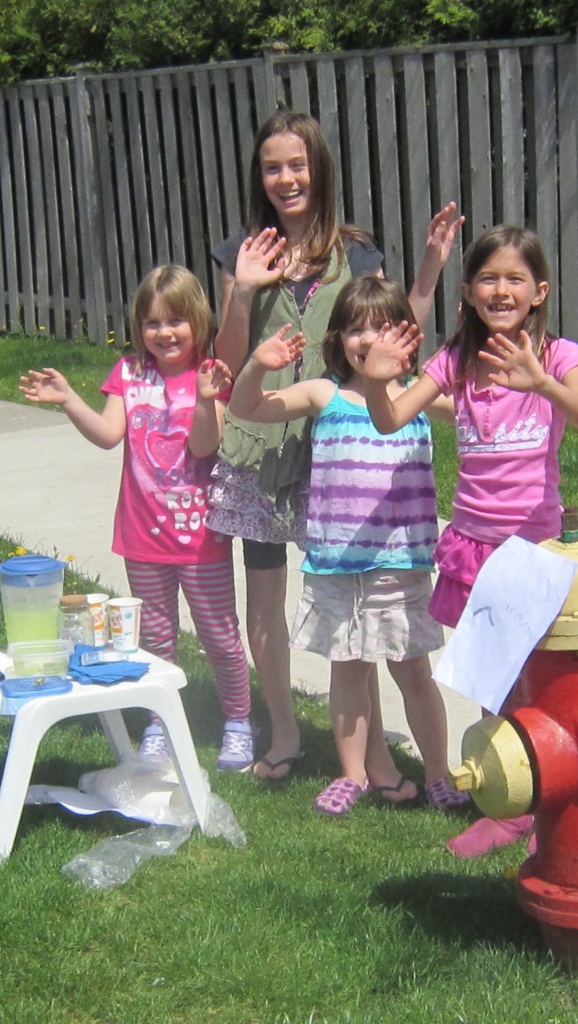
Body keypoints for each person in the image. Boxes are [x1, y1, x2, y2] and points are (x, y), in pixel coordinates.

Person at [209, 109, 463, 780]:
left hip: (336, 451)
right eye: (272, 166)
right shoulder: (243, 252)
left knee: (355, 602)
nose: (286, 178)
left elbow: (390, 336)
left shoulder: (360, 255)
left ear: (319, 168)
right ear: (257, 176)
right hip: (260, 446)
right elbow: (226, 364)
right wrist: (244, 292)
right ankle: (286, 733)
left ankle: (374, 753)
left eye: (297, 164)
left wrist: (431, 273)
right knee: (262, 597)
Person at [363, 224, 578, 853]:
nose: (502, 289)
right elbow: (390, 419)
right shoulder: (455, 361)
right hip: (473, 545)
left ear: (539, 290)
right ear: (467, 291)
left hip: (532, 552)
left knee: (537, 681)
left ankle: (546, 798)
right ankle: (505, 803)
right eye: (488, 278)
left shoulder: (559, 356)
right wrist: (374, 376)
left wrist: (541, 383)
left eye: (515, 278)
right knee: (491, 682)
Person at [216, 274, 467, 814]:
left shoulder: (419, 396)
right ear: (338, 338)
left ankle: (439, 774)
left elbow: (480, 411)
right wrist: (258, 364)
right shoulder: (323, 393)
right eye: (356, 329)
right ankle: (353, 774)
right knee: (348, 670)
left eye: (382, 329)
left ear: (406, 338)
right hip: (335, 565)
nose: (368, 341)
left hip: (400, 564)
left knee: (414, 673)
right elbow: (246, 409)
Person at [19, 265, 255, 772]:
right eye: (152, 323)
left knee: (218, 632)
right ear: (137, 327)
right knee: (155, 638)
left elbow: (202, 445)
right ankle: (158, 723)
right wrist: (68, 400)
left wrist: (207, 399)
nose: (164, 333)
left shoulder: (211, 374)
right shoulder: (129, 373)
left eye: (176, 322)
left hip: (199, 537)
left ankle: (238, 720)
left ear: (198, 320)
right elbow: (108, 434)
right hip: (140, 534)